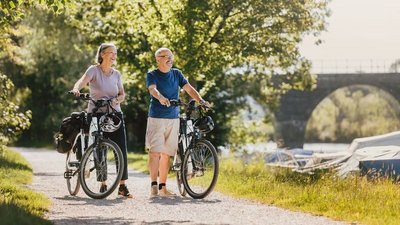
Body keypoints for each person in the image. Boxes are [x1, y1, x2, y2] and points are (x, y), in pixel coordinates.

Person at [71, 43, 133, 198]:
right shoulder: (94, 70)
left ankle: (122, 186)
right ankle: (103, 183)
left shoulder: (116, 74)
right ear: (102, 54)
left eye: (115, 53)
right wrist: (77, 88)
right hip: (96, 113)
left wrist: (117, 100)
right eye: (111, 52)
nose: (114, 56)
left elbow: (122, 94)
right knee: (100, 148)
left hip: (114, 114)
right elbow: (82, 81)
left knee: (121, 148)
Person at [145, 47, 209, 197]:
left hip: (173, 118)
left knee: (167, 154)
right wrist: (160, 97)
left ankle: (163, 187)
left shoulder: (177, 73)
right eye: (165, 56)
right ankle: (154, 185)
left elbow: (189, 88)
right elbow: (152, 90)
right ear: (158, 59)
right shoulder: (152, 74)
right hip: (156, 117)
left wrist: (200, 100)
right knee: (155, 152)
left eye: (170, 56)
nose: (169, 59)